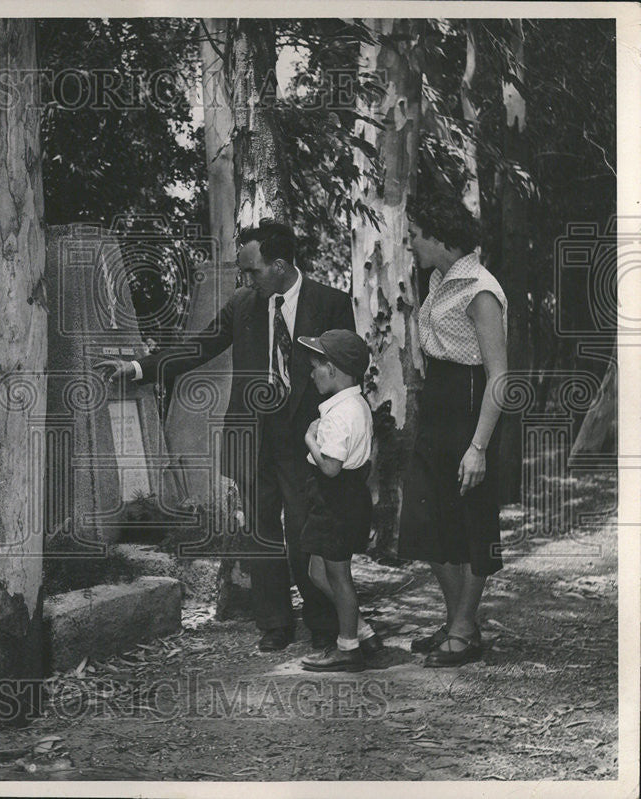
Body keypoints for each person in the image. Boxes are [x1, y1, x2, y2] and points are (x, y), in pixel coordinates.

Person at [95, 220, 356, 652]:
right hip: (253, 437)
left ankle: (323, 623)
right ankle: (275, 624)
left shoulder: (331, 303)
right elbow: (198, 347)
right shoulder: (244, 304)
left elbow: (347, 371)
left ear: (280, 265)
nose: (245, 279)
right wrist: (140, 368)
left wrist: (345, 437)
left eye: (252, 270)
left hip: (308, 441)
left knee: (309, 536)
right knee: (260, 533)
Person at [397, 189, 508, 667]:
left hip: (471, 410)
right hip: (438, 408)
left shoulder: (481, 288)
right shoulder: (441, 280)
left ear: (440, 237)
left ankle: (464, 627)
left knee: (471, 521)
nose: (411, 245)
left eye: (415, 236)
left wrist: (478, 447)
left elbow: (500, 377)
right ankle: (456, 620)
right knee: (427, 519)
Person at [295, 330, 382, 672]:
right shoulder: (354, 403)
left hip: (336, 500)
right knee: (319, 572)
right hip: (341, 499)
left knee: (338, 575)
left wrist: (309, 437)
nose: (311, 372)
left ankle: (348, 647)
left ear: (333, 370)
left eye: (316, 365)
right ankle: (362, 630)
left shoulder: (340, 413)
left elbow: (330, 466)